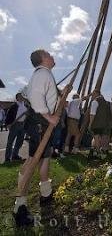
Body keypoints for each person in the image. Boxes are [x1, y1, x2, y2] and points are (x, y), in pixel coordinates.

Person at [13, 49, 69, 227]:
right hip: (39, 122)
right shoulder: (42, 73)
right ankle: (19, 207)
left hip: (41, 123)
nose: (52, 56)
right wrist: (49, 117)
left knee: (43, 158)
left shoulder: (46, 75)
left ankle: (45, 193)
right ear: (43, 59)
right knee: (32, 160)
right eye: (49, 54)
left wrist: (63, 94)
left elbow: (49, 99)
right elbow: (37, 99)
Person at [88, 90, 112, 158]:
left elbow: (92, 114)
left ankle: (98, 153)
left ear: (96, 94)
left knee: (96, 137)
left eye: (93, 94)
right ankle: (96, 150)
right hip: (105, 124)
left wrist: (90, 124)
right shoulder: (106, 102)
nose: (92, 96)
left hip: (97, 123)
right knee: (99, 137)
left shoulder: (95, 101)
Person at [4, 93, 27, 161]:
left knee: (20, 141)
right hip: (15, 124)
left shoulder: (26, 105)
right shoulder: (14, 105)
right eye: (20, 96)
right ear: (17, 98)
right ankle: (7, 158)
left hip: (23, 124)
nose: (21, 97)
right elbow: (8, 115)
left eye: (22, 96)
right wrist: (8, 124)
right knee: (10, 141)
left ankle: (15, 155)